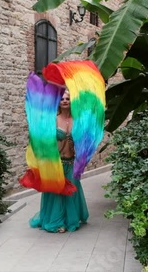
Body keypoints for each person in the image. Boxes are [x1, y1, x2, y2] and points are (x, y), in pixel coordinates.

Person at [29, 90, 89, 233]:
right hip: (57, 162)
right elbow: (44, 141)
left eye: (67, 98)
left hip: (71, 162)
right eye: (62, 98)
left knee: (71, 191)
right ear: (58, 102)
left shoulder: (77, 121)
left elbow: (82, 142)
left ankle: (70, 220)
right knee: (57, 193)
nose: (64, 101)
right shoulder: (54, 120)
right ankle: (56, 222)